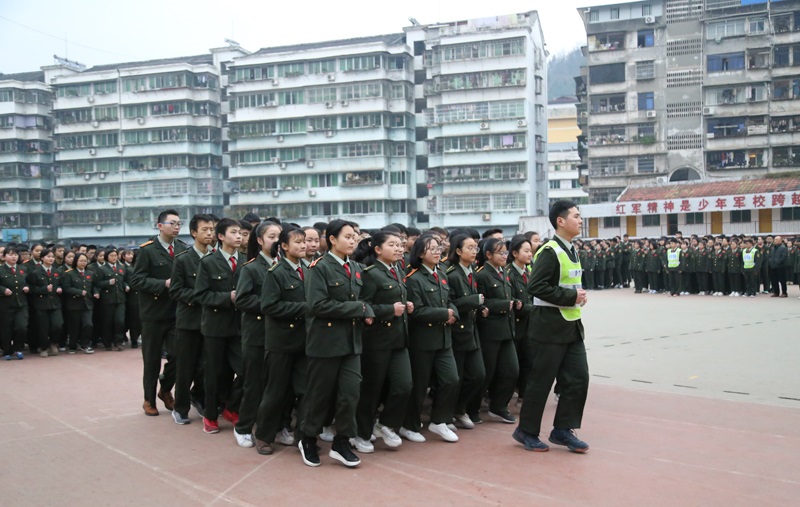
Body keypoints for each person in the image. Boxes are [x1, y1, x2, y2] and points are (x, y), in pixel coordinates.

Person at [514, 200, 590, 453]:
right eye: (576, 216)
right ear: (561, 220)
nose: (580, 220)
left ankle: (562, 430)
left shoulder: (571, 249)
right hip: (549, 328)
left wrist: (576, 296)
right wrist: (571, 297)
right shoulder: (550, 250)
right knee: (541, 382)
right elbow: (535, 286)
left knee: (578, 378)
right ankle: (526, 431)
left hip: (571, 326)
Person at [298, 219, 374, 467]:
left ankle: (342, 442)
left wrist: (367, 310)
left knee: (350, 393)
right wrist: (358, 308)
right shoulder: (320, 267)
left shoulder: (355, 267)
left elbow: (362, 299)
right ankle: (307, 437)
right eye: (348, 236)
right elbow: (316, 305)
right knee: (320, 395)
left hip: (352, 342)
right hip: (326, 342)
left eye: (355, 236)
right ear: (332, 239)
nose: (353, 240)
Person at [352, 231, 413, 452]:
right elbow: (363, 305)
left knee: (404, 385)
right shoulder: (370, 274)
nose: (399, 249)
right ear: (377, 249)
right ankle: (361, 434)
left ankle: (386, 424)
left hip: (398, 339)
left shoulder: (398, 270)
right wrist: (390, 310)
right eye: (392, 245)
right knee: (371, 390)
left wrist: (407, 307)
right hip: (376, 340)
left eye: (400, 245)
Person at [254, 226, 308, 456]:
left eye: (304, 241)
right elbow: (269, 306)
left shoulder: (310, 269)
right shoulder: (276, 272)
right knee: (275, 391)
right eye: (297, 242)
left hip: (306, 341)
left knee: (305, 390)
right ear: (284, 247)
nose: (303, 246)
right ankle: (264, 435)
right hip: (282, 341)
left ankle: (304, 436)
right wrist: (304, 309)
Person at [403, 234, 460, 444]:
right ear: (419, 254)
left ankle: (439, 420)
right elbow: (416, 312)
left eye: (438, 248)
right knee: (419, 386)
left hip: (444, 339)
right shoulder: (413, 278)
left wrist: (453, 312)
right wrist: (444, 314)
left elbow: (450, 299)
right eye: (431, 249)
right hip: (423, 341)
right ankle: (409, 424)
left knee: (451, 379)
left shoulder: (442, 273)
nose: (437, 252)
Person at [131, 209, 187, 416]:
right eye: (172, 223)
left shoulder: (183, 249)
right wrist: (162, 284)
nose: (177, 227)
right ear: (160, 226)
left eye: (179, 223)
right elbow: (136, 280)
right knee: (152, 359)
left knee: (178, 355)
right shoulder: (147, 250)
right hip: (153, 314)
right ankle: (149, 399)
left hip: (176, 312)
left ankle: (165, 389)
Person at [194, 218, 244, 434]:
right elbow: (201, 294)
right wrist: (227, 297)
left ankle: (231, 407)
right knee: (213, 373)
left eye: (240, 233)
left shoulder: (245, 261)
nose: (239, 236)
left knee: (247, 369)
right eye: (234, 232)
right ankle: (210, 415)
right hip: (215, 326)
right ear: (221, 236)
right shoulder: (208, 262)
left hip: (239, 327)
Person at [233, 221, 281, 447]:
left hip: (281, 335)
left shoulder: (287, 266)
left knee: (277, 384)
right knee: (254, 383)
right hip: (257, 333)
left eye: (280, 236)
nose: (277, 241)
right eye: (272, 236)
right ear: (260, 240)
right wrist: (271, 305)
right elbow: (242, 299)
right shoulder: (251, 268)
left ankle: (276, 426)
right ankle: (243, 426)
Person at [169, 214, 215, 425]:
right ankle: (180, 407)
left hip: (210, 321)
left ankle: (201, 399)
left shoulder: (216, 258)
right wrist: (200, 297)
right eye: (205, 229)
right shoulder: (184, 259)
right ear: (194, 232)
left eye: (212, 229)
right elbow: (176, 290)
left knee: (206, 365)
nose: (209, 233)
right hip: (189, 320)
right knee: (185, 365)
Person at [475, 237, 519, 423]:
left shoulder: (504, 272)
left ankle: (499, 406)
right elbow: (480, 302)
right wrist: (503, 305)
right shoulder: (482, 275)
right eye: (500, 253)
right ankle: (472, 408)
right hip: (490, 331)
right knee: (487, 372)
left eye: (505, 252)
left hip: (507, 330)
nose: (504, 256)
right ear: (488, 255)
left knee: (512, 370)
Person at [445, 235, 486, 428]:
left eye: (475, 247)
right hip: (458, 332)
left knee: (478, 374)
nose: (474, 251)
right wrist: (475, 301)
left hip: (472, 330)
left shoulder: (472, 273)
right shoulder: (452, 274)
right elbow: (452, 303)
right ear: (458, 251)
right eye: (469, 247)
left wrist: (480, 307)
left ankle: (460, 408)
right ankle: (449, 413)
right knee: (457, 377)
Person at [507, 235, 533, 407]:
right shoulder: (509, 274)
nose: (530, 254)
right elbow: (517, 304)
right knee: (514, 365)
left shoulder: (528, 273)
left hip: (529, 326)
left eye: (531, 251)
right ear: (515, 253)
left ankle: (524, 395)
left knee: (529, 361)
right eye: (526, 251)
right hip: (515, 326)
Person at [27, 248, 63, 356]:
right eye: (48, 257)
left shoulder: (57, 271)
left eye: (52, 257)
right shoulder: (35, 272)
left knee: (58, 324)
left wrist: (60, 288)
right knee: (43, 327)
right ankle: (43, 347)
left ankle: (53, 342)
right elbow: (31, 289)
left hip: (55, 303)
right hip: (41, 304)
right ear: (42, 258)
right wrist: (44, 289)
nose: (51, 259)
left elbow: (61, 284)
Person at [61, 253, 95, 354]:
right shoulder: (69, 273)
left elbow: (94, 286)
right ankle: (73, 345)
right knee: (74, 326)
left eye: (85, 261)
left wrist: (96, 292)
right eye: (81, 261)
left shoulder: (90, 273)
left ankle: (85, 344)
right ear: (76, 261)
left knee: (88, 324)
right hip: (74, 304)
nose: (83, 263)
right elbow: (66, 288)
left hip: (87, 303)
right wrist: (79, 292)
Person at [0, 247, 31, 360]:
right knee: (6, 329)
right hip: (5, 305)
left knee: (21, 327)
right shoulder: (1, 270)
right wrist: (3, 290)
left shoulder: (22, 269)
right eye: (10, 254)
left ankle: (18, 348)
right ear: (4, 257)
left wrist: (27, 287)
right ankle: (7, 350)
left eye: (15, 255)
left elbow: (28, 282)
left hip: (21, 304)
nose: (13, 257)